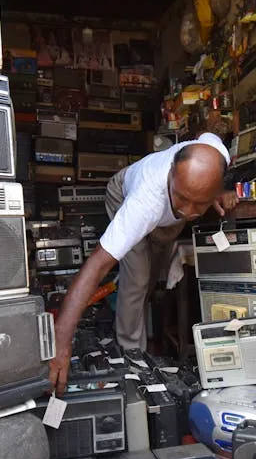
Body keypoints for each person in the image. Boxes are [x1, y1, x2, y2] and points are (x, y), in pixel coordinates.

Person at [48, 132, 239, 394]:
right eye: (183, 198)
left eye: (200, 204)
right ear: (171, 174)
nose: (190, 212)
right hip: (125, 194)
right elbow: (99, 263)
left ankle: (134, 330)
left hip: (164, 223)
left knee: (151, 280)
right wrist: (61, 339)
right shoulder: (146, 200)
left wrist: (216, 193)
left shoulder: (217, 155)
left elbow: (206, 156)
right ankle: (131, 359)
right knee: (137, 278)